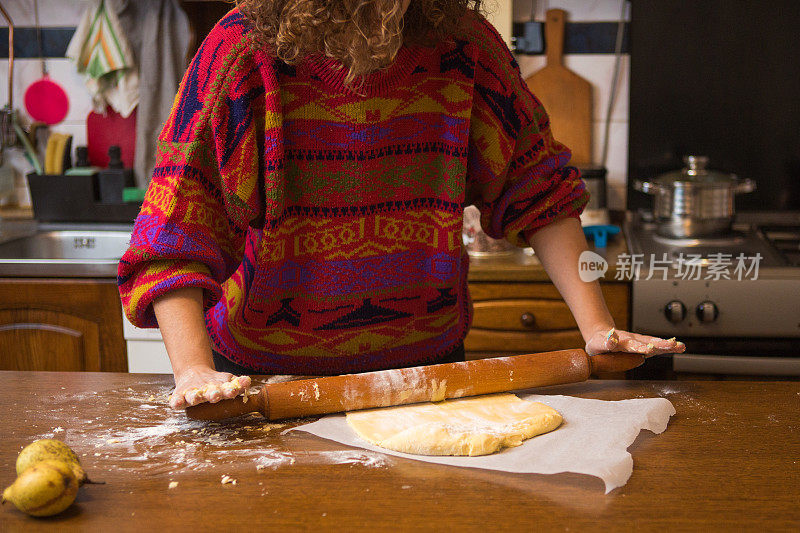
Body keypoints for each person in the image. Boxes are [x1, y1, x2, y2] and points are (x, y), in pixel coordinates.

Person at [118, 0, 684, 410]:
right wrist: (195, 372)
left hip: (426, 377)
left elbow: (537, 188)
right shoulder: (241, 55)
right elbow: (175, 228)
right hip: (266, 380)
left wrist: (597, 327)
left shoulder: (466, 48)